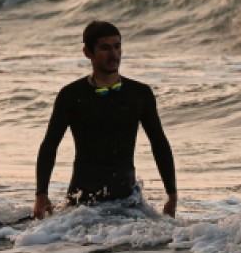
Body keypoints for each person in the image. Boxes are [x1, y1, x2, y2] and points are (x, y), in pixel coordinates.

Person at [34, 20, 177, 219]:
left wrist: (172, 194)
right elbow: (50, 144)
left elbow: (159, 143)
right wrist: (41, 194)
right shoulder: (72, 95)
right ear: (88, 52)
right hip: (82, 205)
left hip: (129, 202)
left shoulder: (139, 93)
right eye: (105, 48)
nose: (114, 54)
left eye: (117, 47)